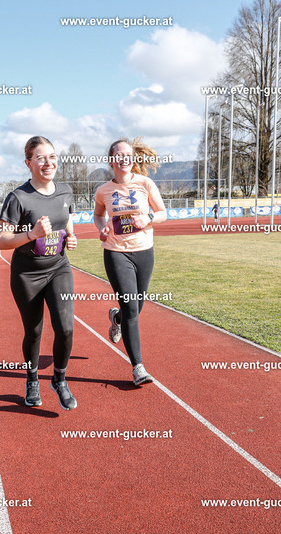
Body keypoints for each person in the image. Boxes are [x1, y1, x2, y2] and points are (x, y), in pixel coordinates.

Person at [0, 135, 78, 410]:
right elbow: (0, 241)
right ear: (28, 163)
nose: (48, 163)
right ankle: (32, 379)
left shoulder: (65, 191)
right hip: (27, 274)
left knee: (65, 328)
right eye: (40, 158)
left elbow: (67, 219)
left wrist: (71, 237)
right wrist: (32, 234)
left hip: (58, 267)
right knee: (34, 331)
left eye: (52, 157)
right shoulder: (18, 197)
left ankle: (59, 379)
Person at [93, 137, 167, 386]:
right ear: (111, 160)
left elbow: (163, 213)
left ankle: (117, 319)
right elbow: (98, 215)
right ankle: (138, 367)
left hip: (144, 252)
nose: (124, 159)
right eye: (119, 155)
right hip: (116, 252)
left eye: (128, 155)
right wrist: (102, 229)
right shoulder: (103, 190)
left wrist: (148, 219)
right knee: (132, 309)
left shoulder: (145, 183)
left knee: (136, 307)